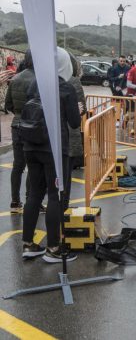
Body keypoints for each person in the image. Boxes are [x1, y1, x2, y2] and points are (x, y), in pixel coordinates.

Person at [22, 46, 80, 262]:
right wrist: (79, 109)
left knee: (34, 194)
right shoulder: (65, 88)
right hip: (54, 148)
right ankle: (53, 248)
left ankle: (28, 244)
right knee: (55, 195)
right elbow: (74, 122)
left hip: (31, 145)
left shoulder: (35, 82)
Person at [4, 50, 33, 214]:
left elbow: (7, 105)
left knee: (18, 165)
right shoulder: (38, 80)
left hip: (17, 125)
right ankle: (32, 200)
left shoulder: (15, 79)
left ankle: (15, 201)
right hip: (34, 126)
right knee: (33, 165)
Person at [63, 53, 86, 209]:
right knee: (65, 176)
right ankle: (63, 208)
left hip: (41, 135)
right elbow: (81, 108)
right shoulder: (73, 82)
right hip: (68, 134)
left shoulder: (41, 79)